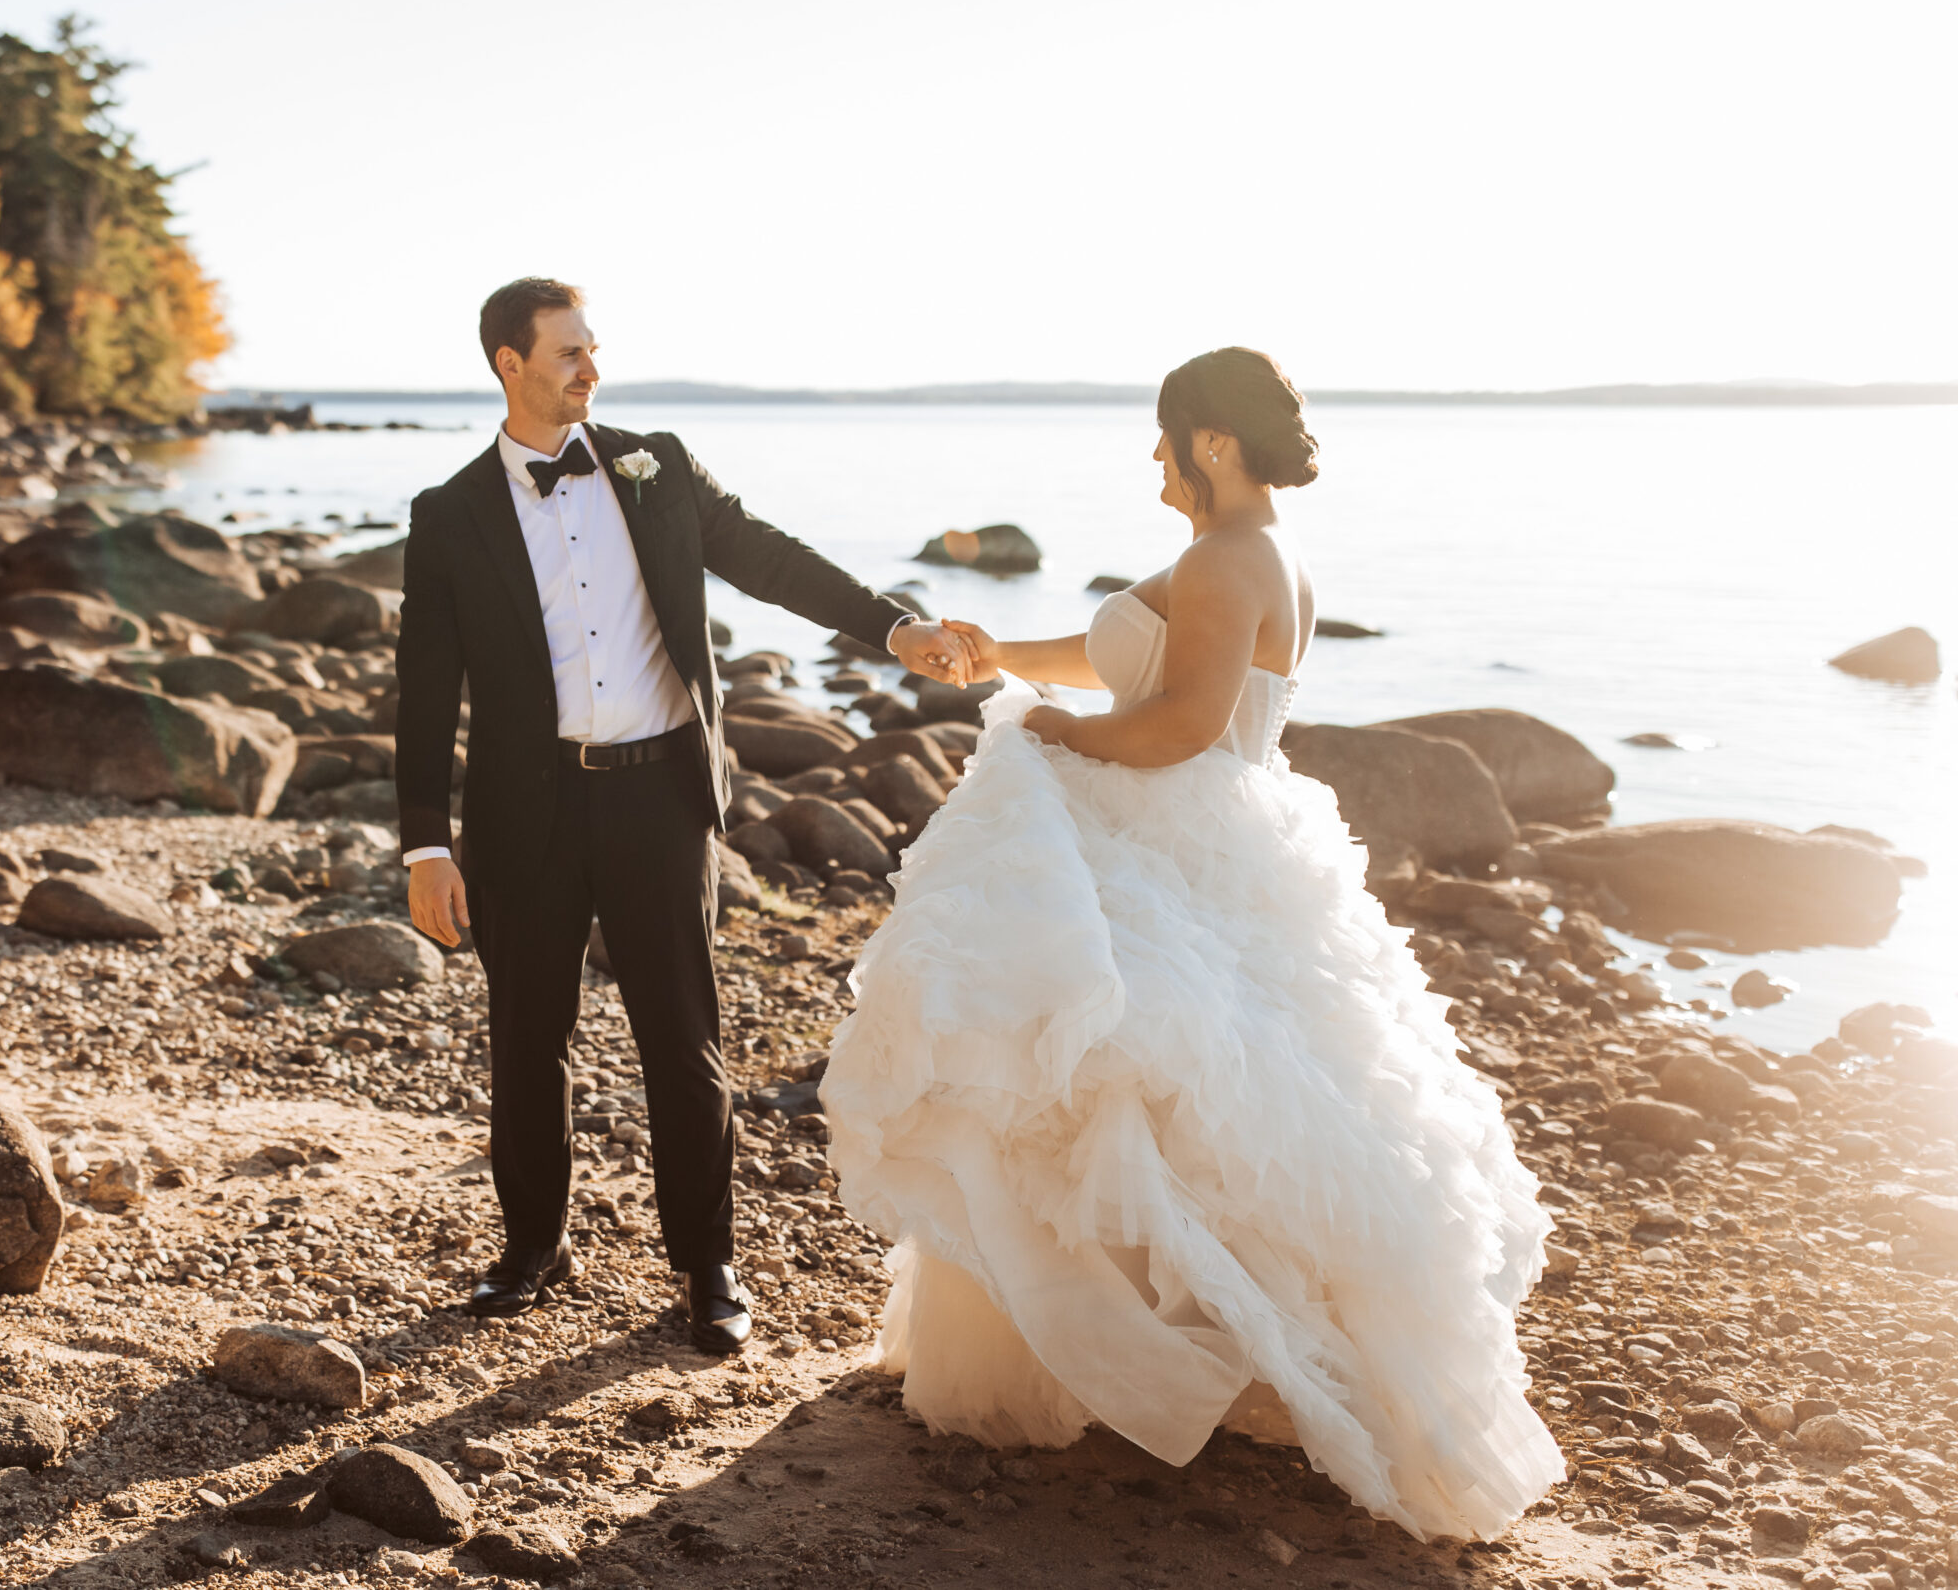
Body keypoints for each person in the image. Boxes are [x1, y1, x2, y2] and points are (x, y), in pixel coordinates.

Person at [824, 348, 1563, 1538]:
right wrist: (1003, 658)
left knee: (1109, 1074)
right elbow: (1130, 655)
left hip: (1174, 832)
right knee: (1164, 1092)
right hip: (1204, 836)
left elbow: (1174, 725)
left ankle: (1133, 1362)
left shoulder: (1228, 559)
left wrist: (1053, 733)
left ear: (1211, 444)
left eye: (1163, 440)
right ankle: (1149, 1357)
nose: (1153, 462)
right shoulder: (1247, 554)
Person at [395, 277, 972, 1353]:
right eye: (567, 352)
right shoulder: (449, 514)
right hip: (524, 812)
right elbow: (424, 688)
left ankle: (707, 1266)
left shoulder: (654, 464)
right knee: (527, 1040)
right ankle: (533, 1248)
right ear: (507, 364)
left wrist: (890, 627)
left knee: (683, 1040)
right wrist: (426, 841)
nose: (590, 368)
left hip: (659, 794)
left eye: (593, 348)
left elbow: (768, 556)